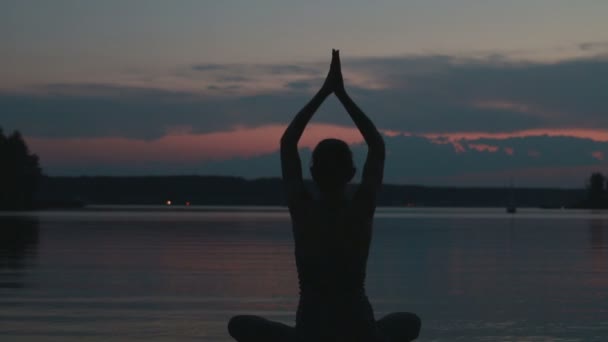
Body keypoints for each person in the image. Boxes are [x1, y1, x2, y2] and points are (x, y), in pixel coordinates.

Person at [228, 50, 421, 342]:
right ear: (352, 173)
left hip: (311, 333)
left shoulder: (303, 210)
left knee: (239, 325)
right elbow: (377, 146)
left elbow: (288, 142)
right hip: (360, 332)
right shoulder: (361, 209)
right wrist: (341, 95)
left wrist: (324, 93)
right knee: (410, 322)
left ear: (313, 173)